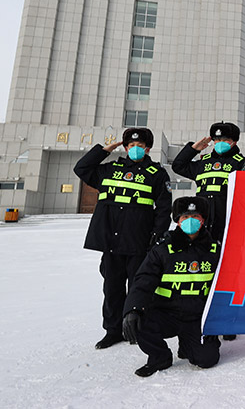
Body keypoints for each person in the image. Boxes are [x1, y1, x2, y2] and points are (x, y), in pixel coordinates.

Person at [74, 127, 172, 350]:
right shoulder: (110, 169)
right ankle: (113, 330)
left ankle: (138, 328)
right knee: (112, 288)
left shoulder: (156, 174)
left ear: (148, 148)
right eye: (131, 145)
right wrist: (102, 151)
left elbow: (164, 209)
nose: (135, 149)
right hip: (111, 242)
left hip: (139, 241)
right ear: (125, 147)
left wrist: (156, 237)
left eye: (140, 146)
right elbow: (81, 168)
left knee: (139, 287)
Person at [121, 197, 221, 377]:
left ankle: (188, 344)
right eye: (185, 217)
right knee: (139, 321)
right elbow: (144, 280)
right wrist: (133, 309)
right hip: (166, 312)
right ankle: (159, 357)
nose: (190, 221)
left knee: (207, 358)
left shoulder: (215, 250)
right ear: (177, 220)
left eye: (196, 216)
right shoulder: (162, 249)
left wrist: (221, 323)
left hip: (197, 316)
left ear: (203, 219)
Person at [171, 121, 245, 243]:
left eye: (225, 140)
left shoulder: (242, 164)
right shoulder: (203, 162)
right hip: (202, 218)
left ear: (234, 142)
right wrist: (193, 149)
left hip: (226, 218)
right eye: (217, 140)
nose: (220, 143)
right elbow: (178, 166)